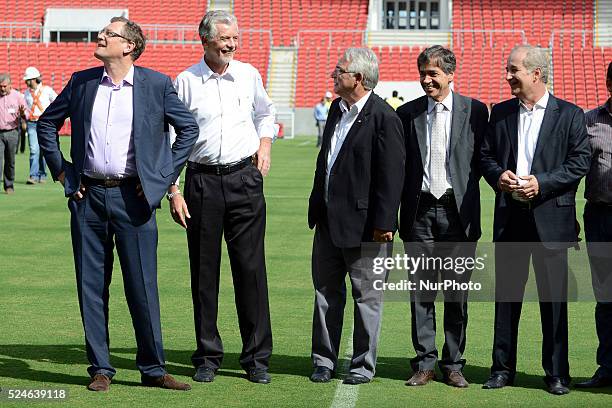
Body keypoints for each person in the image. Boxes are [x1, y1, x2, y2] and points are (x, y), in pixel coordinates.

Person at [37, 16, 199, 392]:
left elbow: (188, 129)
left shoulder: (156, 84)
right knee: (91, 285)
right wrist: (63, 172)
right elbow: (47, 124)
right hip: (87, 197)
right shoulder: (81, 81)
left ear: (129, 46)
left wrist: (160, 179)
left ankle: (153, 368)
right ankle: (100, 368)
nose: (100, 37)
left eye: (109, 33)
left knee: (142, 285)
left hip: (135, 199)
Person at [168, 10, 275, 385]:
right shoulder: (185, 81)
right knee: (204, 273)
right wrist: (174, 190)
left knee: (251, 270)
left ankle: (257, 358)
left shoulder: (248, 74)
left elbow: (266, 112)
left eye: (235, 38)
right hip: (201, 184)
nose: (232, 44)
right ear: (205, 40)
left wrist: (265, 144)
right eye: (225, 38)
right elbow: (172, 140)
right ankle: (208, 356)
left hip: (245, 179)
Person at [480, 45, 591, 395]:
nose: (508, 76)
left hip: (552, 222)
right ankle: (502, 370)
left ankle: (557, 373)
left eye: (514, 70)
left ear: (536, 74)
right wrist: (500, 177)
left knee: (554, 303)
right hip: (510, 219)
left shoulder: (571, 114)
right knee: (506, 300)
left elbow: (579, 163)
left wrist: (541, 183)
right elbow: (485, 157)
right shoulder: (499, 113)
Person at [307, 47, 405, 385]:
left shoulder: (384, 118)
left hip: (366, 228)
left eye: (339, 71)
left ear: (358, 79)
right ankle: (324, 361)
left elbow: (392, 177)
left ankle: (362, 366)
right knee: (325, 293)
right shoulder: (337, 108)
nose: (334, 75)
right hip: (328, 222)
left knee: (368, 298)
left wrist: (383, 224)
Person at [396, 45, 488, 388]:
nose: (426, 79)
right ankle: (424, 362)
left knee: (456, 293)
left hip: (458, 213)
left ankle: (453, 363)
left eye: (433, 73)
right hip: (419, 212)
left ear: (451, 74)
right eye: (422, 73)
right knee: (421, 292)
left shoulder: (476, 111)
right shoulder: (407, 113)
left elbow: (484, 161)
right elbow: (399, 169)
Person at [575, 61, 612, 389]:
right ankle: (607, 368)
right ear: (609, 85)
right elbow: (575, 170)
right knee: (606, 297)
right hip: (601, 217)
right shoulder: (590, 121)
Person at [23, 66, 57, 184]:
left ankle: (42, 174)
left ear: (34, 79)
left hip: (44, 124)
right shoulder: (26, 93)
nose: (26, 82)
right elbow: (25, 108)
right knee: (34, 150)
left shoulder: (47, 90)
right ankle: (33, 175)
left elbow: (57, 101)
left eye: (28, 80)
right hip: (32, 123)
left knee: (43, 150)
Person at [0, 73, 26, 194]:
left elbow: (26, 114)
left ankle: (9, 185)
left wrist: (22, 113)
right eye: (0, 86)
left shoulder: (18, 96)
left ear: (10, 85)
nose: (2, 88)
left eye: (4, 86)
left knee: (10, 160)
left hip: (12, 132)